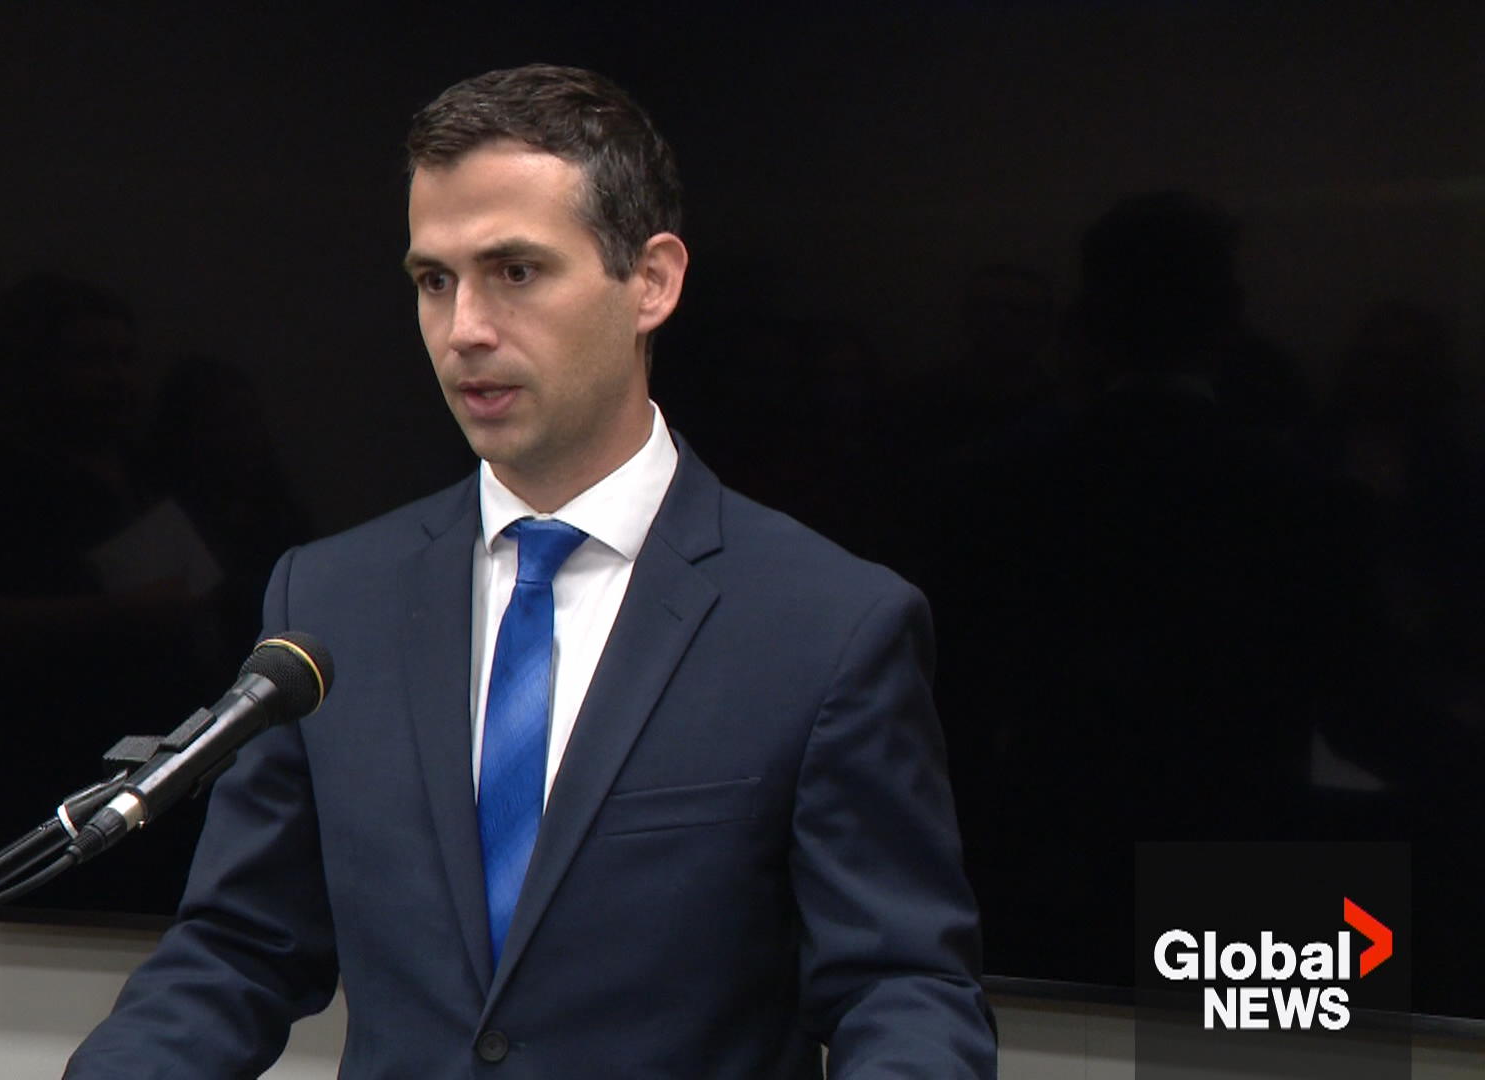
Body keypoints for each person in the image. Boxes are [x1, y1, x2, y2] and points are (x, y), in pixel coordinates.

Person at [64, 64, 994, 1078]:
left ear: (652, 281)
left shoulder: (827, 624)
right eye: (434, 280)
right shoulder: (330, 603)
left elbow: (900, 988)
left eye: (515, 271)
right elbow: (239, 949)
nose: (464, 328)